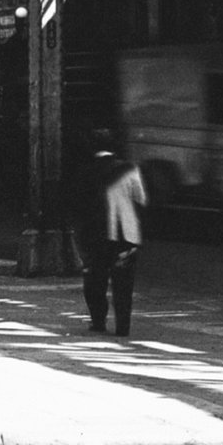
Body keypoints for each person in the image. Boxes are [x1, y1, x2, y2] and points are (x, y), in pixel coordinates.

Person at [77, 139, 147, 336]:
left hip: (96, 238)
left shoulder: (86, 172)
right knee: (123, 285)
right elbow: (140, 200)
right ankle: (122, 327)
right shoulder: (130, 169)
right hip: (126, 237)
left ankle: (98, 321)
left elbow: (79, 206)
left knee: (95, 282)